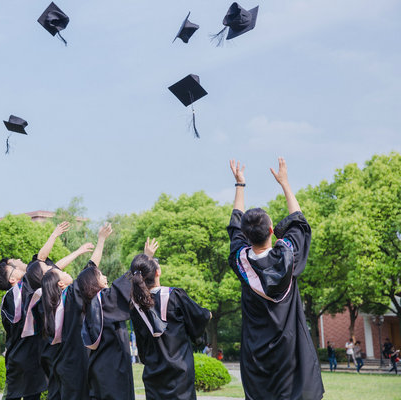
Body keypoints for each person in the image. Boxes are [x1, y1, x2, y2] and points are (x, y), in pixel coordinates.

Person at [227, 158, 324, 400]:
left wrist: (240, 185)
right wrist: (285, 184)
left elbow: (235, 225)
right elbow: (299, 222)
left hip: (255, 356)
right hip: (288, 353)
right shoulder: (288, 256)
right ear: (272, 230)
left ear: (246, 237)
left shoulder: (240, 260)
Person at [0, 221, 74, 400]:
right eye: (14, 266)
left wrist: (78, 251)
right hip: (26, 354)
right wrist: (54, 234)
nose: (20, 264)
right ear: (13, 278)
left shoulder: (15, 295)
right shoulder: (19, 291)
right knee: (25, 396)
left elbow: (52, 269)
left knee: (21, 395)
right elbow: (41, 261)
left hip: (23, 354)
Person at [130, 243, 212, 400]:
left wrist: (145, 256)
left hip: (153, 373)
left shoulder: (135, 307)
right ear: (158, 272)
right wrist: (208, 314)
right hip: (179, 372)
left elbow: (141, 343)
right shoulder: (175, 296)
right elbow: (200, 317)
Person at [39, 224, 112, 400]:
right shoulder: (71, 295)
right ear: (61, 284)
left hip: (61, 363)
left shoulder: (52, 304)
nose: (63, 271)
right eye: (60, 272)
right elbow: (92, 268)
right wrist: (101, 239)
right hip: (76, 363)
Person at [78, 223, 136, 400]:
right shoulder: (106, 298)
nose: (105, 276)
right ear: (94, 282)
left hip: (96, 366)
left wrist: (101, 240)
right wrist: (141, 263)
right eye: (100, 275)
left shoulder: (84, 302)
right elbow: (125, 282)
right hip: (114, 366)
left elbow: (87, 271)